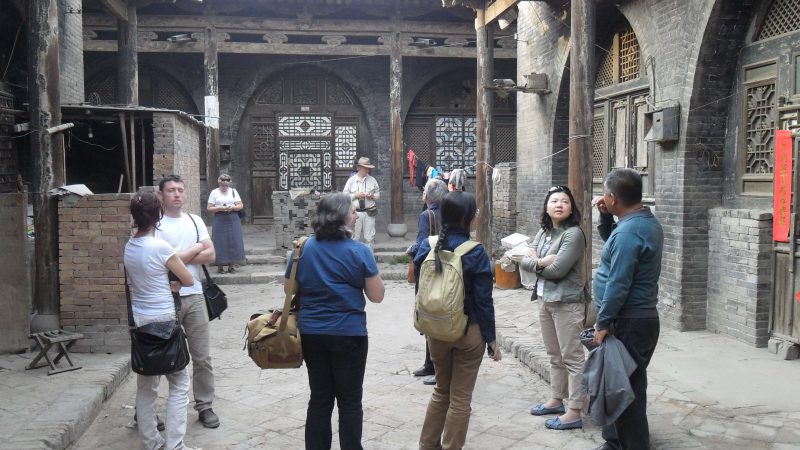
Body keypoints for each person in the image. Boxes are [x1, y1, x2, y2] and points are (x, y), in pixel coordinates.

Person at [284, 193, 385, 450]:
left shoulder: (302, 248)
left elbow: (289, 290)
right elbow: (376, 296)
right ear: (339, 217)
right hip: (349, 334)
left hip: (312, 333)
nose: (355, 215)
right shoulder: (360, 251)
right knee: (350, 400)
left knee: (320, 398)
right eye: (352, 211)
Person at [414, 191, 502, 450]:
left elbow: (421, 289)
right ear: (469, 218)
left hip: (437, 330)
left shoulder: (427, 246)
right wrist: (491, 340)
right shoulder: (475, 252)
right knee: (461, 397)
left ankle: (428, 445)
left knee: (441, 391)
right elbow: (484, 302)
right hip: (468, 331)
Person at [591, 168, 663, 450]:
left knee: (627, 391)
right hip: (637, 319)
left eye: (606, 197)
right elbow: (615, 247)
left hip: (629, 320)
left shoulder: (629, 231)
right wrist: (606, 218)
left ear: (611, 197)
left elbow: (618, 283)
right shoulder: (641, 223)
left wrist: (603, 322)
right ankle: (615, 441)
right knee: (617, 384)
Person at [123, 191, 200, 450]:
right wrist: (174, 286)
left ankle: (152, 443)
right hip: (165, 321)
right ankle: (175, 445)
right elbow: (188, 279)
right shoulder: (161, 247)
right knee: (179, 383)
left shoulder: (129, 246)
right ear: (157, 217)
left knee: (146, 385)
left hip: (141, 321)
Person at [515, 185, 586, 430]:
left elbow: (558, 271)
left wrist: (535, 262)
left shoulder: (573, 234)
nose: (559, 204)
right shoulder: (545, 233)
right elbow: (521, 259)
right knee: (554, 355)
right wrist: (540, 261)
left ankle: (575, 410)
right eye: (554, 200)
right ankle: (556, 399)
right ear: (546, 206)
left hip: (567, 302)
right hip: (545, 299)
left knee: (572, 358)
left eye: (565, 201)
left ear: (571, 208)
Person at [155, 175, 220, 429]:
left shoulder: (195, 221)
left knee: (202, 356)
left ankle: (205, 405)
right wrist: (193, 251)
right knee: (160, 356)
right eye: (171, 190)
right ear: (161, 195)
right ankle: (147, 409)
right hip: (163, 298)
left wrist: (173, 259)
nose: (177, 195)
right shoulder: (154, 223)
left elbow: (212, 254)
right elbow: (155, 261)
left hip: (194, 297)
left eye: (180, 190)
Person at [407, 178, 448, 386]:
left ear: (427, 196)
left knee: (427, 316)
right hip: (448, 269)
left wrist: (411, 251)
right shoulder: (451, 212)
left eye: (424, 191)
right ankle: (430, 363)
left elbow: (422, 243)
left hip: (429, 269)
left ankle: (435, 366)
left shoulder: (426, 215)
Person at [206, 173, 245, 274]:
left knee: (233, 241)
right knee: (220, 242)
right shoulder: (214, 192)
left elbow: (240, 205)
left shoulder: (233, 191)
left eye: (226, 186)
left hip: (233, 218)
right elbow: (209, 208)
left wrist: (232, 208)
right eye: (223, 186)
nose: (225, 188)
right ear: (219, 184)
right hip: (220, 218)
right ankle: (220, 266)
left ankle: (231, 265)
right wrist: (219, 208)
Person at [342, 157, 380, 250]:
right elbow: (344, 196)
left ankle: (370, 257)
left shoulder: (372, 180)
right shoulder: (351, 180)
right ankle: (354, 258)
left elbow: (378, 194)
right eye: (365, 168)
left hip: (369, 212)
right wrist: (356, 195)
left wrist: (372, 196)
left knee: (369, 237)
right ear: (359, 167)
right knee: (355, 237)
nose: (367, 170)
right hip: (356, 213)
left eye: (368, 168)